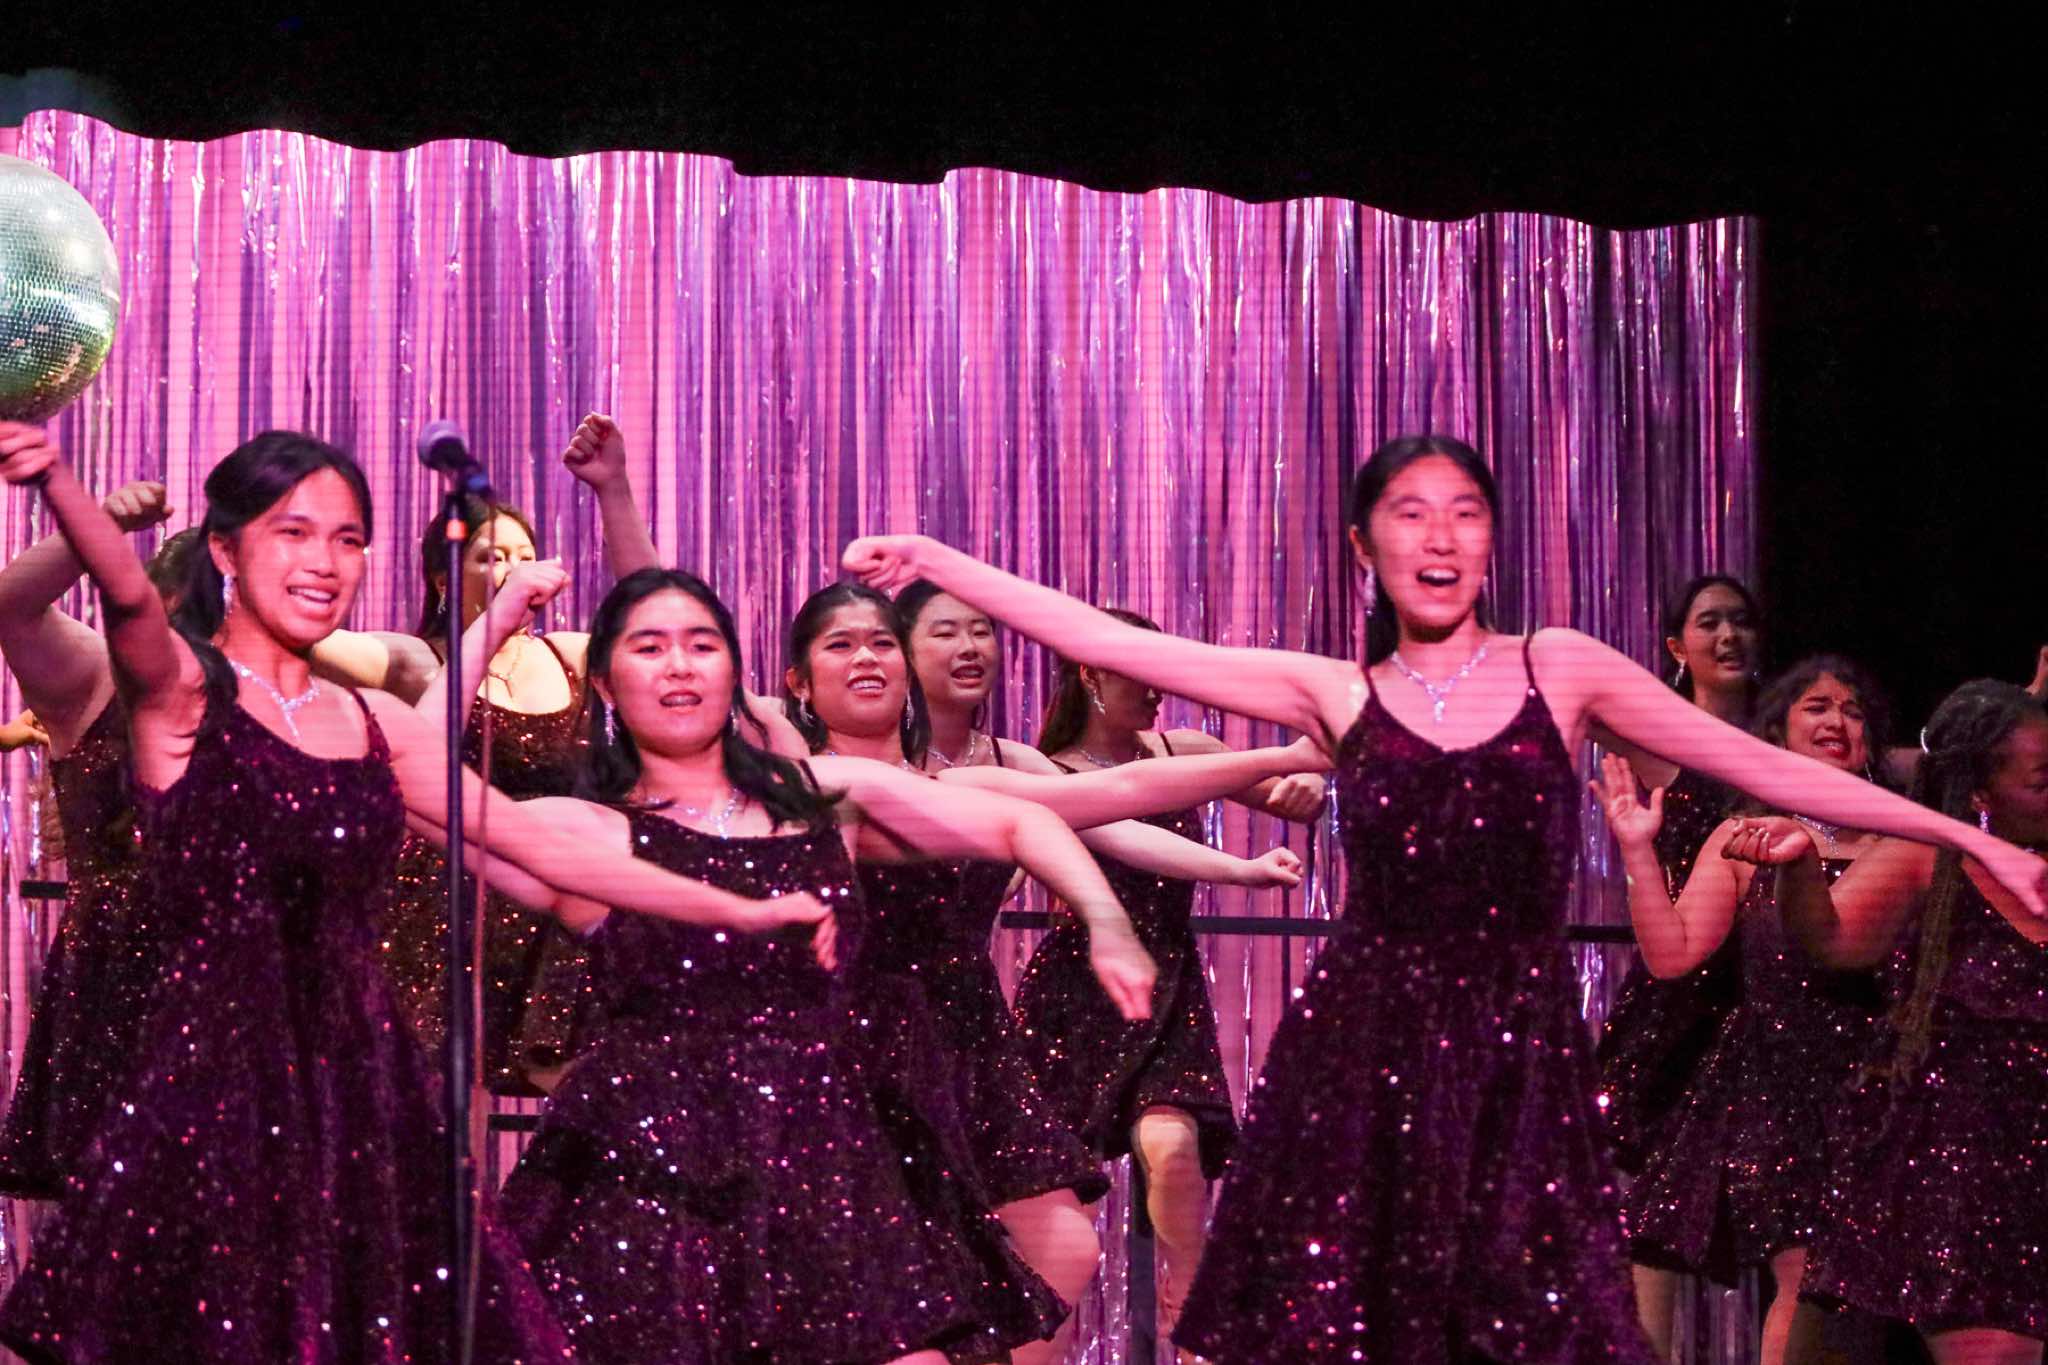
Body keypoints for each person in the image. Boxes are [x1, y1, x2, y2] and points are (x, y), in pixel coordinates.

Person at [841, 434, 2048, 1365]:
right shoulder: (1333, 692)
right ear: (1362, 546)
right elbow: (1125, 648)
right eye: (1408, 513)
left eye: (1463, 512)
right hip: (1360, 1052)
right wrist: (939, 563)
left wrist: (1962, 836)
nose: (1439, 534)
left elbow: (1759, 765)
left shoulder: (1558, 666)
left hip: (1515, 1054)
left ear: (1490, 539)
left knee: (1520, 1321)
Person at [0, 422, 827, 1362]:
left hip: (366, 1095)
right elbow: (124, 595)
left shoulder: (376, 722)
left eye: (349, 539)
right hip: (212, 1089)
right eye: (293, 532)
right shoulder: (185, 693)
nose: (325, 562)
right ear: (225, 550)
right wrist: (60, 482)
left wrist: (742, 908)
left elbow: (541, 847)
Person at [498, 567, 1165, 1364]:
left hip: (814, 1141)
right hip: (650, 1157)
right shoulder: (583, 828)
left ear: (736, 674)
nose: (678, 665)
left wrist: (1105, 919)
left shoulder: (824, 793)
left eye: (702, 645)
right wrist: (497, 619)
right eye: (650, 648)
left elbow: (1023, 821)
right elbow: (420, 778)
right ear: (606, 684)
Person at [786, 580, 1311, 1364]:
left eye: (881, 642)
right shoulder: (797, 782)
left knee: (1063, 1245)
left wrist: (1284, 762)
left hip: (966, 1038)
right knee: (888, 1277)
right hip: (855, 1048)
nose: (867, 658)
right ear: (799, 682)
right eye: (841, 645)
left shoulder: (964, 783)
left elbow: (1119, 796)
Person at [1012, 605, 1326, 1354]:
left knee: (1175, 1149)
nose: (1158, 689)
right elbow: (1075, 841)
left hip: (1168, 985)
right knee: (1062, 1207)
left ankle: (1193, 1336)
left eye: (1163, 672)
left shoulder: (1186, 750)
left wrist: (1303, 790)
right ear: (1091, 673)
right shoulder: (1043, 771)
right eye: (1140, 672)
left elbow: (1282, 784)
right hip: (1074, 995)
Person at [1724, 679, 2048, 1365]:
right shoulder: (1927, 858)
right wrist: (1801, 866)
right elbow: (1833, 939)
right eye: (2042, 780)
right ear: (1981, 795)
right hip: (1947, 1177)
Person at [1593, 656, 1892, 1364]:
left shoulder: (1898, 846)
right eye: (1817, 706)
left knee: (1865, 1297)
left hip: (1881, 1089)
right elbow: (1673, 954)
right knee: (1806, 1274)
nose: (1837, 720)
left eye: (1853, 711)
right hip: (1783, 1089)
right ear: (1777, 733)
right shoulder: (1742, 837)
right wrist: (1638, 851)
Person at [0, 483, 192, 1198]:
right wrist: (100, 522)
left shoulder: (279, 706)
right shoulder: (99, 677)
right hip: (119, 985)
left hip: (241, 990)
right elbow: (11, 605)